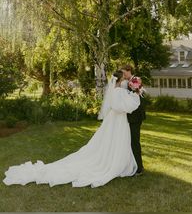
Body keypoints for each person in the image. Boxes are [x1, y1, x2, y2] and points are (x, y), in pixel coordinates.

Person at [3, 70, 140, 188]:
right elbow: (122, 106)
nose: (125, 80)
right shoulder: (119, 92)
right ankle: (114, 163)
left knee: (112, 141)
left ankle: (115, 160)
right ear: (120, 79)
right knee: (116, 140)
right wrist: (135, 96)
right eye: (123, 78)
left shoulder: (116, 91)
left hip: (115, 120)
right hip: (118, 120)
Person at [121, 65, 146, 176]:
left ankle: (139, 168)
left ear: (129, 71)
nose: (123, 75)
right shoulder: (127, 82)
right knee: (130, 142)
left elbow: (138, 94)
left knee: (135, 142)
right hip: (130, 117)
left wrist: (133, 87)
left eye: (124, 72)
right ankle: (132, 165)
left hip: (135, 117)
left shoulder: (136, 80)